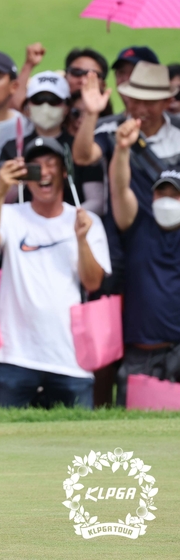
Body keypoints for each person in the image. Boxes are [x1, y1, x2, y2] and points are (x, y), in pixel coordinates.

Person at [0, 138, 111, 409]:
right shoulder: (10, 215)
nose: (44, 172)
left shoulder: (87, 221)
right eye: (35, 167)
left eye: (52, 164)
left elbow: (92, 281)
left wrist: (82, 239)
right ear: (25, 176)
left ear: (64, 172)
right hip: (16, 355)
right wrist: (1, 187)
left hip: (70, 358)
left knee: (79, 447)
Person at [109, 121, 180, 406]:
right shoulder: (137, 225)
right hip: (138, 356)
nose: (166, 199)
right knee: (132, 443)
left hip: (178, 352)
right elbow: (119, 188)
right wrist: (123, 150)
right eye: (161, 193)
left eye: (174, 194)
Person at [73, 62, 180, 207]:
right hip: (127, 226)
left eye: (150, 102)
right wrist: (91, 113)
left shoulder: (177, 132)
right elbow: (83, 157)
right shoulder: (111, 131)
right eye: (135, 101)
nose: (142, 110)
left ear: (166, 101)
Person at [0, 71, 104, 211]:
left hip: (73, 228)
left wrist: (64, 222)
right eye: (38, 100)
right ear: (27, 106)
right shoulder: (12, 148)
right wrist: (15, 180)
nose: (45, 106)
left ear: (66, 107)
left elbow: (97, 202)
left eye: (53, 101)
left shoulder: (80, 148)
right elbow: (0, 200)